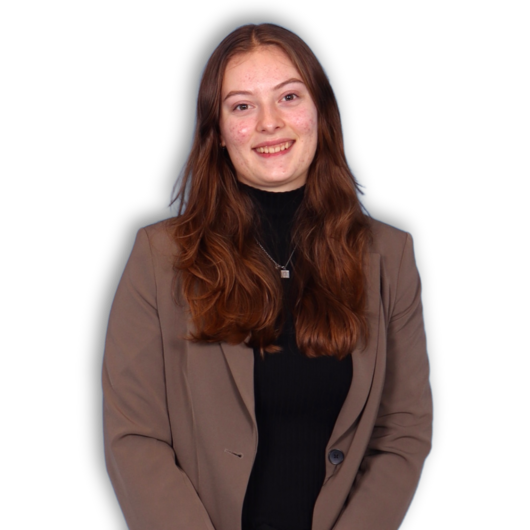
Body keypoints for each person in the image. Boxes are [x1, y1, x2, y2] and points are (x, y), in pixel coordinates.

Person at [102, 21, 433, 530]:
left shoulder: (391, 254)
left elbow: (403, 430)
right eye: (242, 106)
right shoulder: (157, 255)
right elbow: (134, 435)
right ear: (216, 132)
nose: (270, 123)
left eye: (289, 97)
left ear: (321, 112)